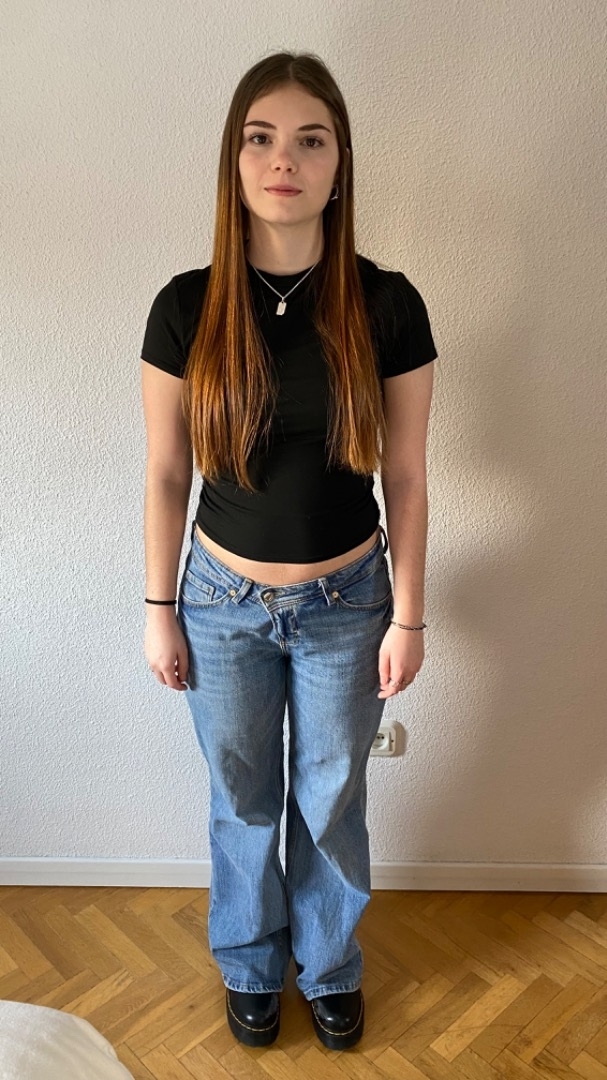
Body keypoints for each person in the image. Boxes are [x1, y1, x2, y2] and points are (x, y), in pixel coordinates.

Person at [140, 50, 437, 1050]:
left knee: (330, 798)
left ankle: (329, 965)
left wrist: (408, 616)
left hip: (349, 603)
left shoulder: (386, 304)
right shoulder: (185, 307)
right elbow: (167, 474)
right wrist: (158, 609)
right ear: (233, 163)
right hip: (219, 603)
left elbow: (406, 478)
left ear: (338, 166)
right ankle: (251, 964)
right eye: (260, 139)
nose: (284, 160)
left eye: (311, 140)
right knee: (241, 800)